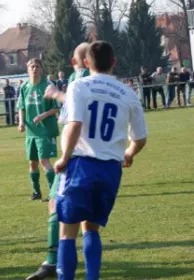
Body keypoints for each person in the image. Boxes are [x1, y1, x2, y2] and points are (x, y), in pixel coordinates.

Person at [53, 41, 147, 280]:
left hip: (80, 165)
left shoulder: (78, 86)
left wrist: (64, 157)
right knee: (92, 228)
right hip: (109, 170)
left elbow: (74, 124)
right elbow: (140, 138)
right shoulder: (128, 93)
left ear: (86, 63)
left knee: (67, 232)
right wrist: (128, 154)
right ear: (113, 63)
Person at [25, 42, 90, 280]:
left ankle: (53, 262)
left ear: (78, 61)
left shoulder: (79, 80)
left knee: (57, 204)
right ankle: (86, 271)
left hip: (76, 155)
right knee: (86, 220)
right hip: (101, 159)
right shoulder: (109, 84)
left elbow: (71, 116)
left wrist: (56, 95)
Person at [17, 58, 60, 201]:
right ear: (27, 69)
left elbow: (56, 107)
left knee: (43, 160)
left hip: (46, 130)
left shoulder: (48, 86)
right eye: (31, 66)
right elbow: (21, 107)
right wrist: (21, 123)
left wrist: (43, 115)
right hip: (31, 131)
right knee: (32, 162)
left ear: (41, 69)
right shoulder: (24, 87)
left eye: (37, 66)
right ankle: (36, 192)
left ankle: (53, 193)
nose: (34, 69)